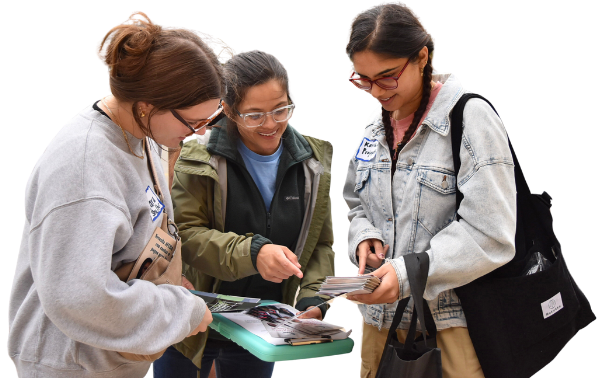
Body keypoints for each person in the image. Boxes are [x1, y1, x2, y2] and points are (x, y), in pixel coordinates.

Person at [8, 11, 221, 378]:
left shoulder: (145, 135)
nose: (199, 134)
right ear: (146, 105)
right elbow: (81, 297)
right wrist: (179, 310)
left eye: (209, 121)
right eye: (192, 123)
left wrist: (167, 281)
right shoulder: (85, 166)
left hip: (107, 357)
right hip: (69, 365)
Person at [341, 2, 517, 378]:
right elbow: (354, 200)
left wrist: (405, 273)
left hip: (450, 329)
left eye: (387, 77)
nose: (374, 93)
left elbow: (492, 234)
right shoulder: (375, 125)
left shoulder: (471, 120)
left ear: (422, 57)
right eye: (362, 80)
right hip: (378, 324)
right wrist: (364, 236)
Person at [153, 49, 335, 378]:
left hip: (261, 329)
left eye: (281, 110)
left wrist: (312, 297)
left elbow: (320, 245)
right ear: (228, 110)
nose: (271, 125)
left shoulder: (313, 161)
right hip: (194, 320)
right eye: (254, 115)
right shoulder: (196, 157)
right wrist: (253, 254)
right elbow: (187, 237)